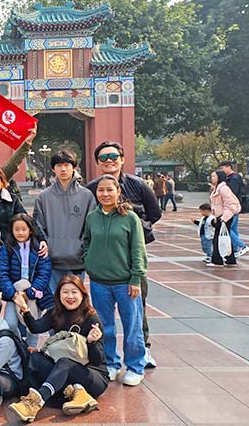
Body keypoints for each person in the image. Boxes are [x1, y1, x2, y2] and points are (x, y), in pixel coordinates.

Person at [85, 141, 161, 369]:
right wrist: (90, 259)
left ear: (122, 158)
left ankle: (141, 354)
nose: (109, 160)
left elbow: (155, 213)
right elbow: (88, 233)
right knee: (105, 321)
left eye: (114, 156)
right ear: (97, 162)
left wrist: (137, 228)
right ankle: (110, 362)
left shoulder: (137, 185)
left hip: (130, 264)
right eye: (104, 157)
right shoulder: (91, 189)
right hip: (102, 272)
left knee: (137, 312)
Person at [8, 275, 109, 422]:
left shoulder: (91, 319)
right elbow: (36, 328)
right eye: (65, 292)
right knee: (36, 358)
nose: (70, 296)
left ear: (82, 294)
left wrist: (92, 342)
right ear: (59, 295)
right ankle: (77, 393)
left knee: (64, 363)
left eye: (74, 292)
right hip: (67, 371)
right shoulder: (55, 313)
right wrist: (24, 309)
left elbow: (97, 360)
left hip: (93, 375)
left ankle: (35, 403)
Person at [83, 174, 147, 386]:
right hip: (100, 282)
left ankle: (136, 366)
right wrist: (89, 261)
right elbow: (86, 241)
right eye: (101, 190)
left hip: (125, 282)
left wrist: (136, 278)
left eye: (110, 189)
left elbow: (138, 249)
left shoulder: (130, 217)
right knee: (104, 326)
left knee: (132, 326)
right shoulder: (92, 217)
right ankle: (110, 363)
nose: (105, 194)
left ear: (118, 192)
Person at [33, 150, 95, 295]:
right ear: (53, 168)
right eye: (58, 165)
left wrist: (82, 248)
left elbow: (90, 227)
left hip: (76, 261)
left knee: (74, 302)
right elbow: (38, 226)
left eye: (66, 165)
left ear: (74, 167)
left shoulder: (86, 196)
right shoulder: (44, 197)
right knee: (54, 304)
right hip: (52, 261)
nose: (63, 169)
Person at [0, 213, 52, 345]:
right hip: (14, 294)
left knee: (32, 325)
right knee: (9, 323)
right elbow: (3, 273)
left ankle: (32, 352)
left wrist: (30, 293)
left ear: (30, 230)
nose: (20, 232)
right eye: (17, 229)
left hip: (33, 293)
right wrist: (14, 294)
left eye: (24, 229)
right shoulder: (7, 248)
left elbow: (44, 273)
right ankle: (19, 346)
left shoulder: (39, 247)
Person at [209, 170, 241, 266]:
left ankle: (217, 261)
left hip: (224, 217)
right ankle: (230, 260)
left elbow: (230, 204)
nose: (212, 178)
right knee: (224, 237)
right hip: (219, 216)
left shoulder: (224, 189)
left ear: (219, 177)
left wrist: (224, 217)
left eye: (214, 176)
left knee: (218, 239)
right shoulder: (216, 188)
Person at [219, 161, 249, 257]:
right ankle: (236, 248)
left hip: (231, 207)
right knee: (233, 228)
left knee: (227, 228)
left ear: (228, 167)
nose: (221, 170)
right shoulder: (232, 178)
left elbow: (232, 194)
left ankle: (242, 246)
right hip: (234, 207)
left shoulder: (233, 179)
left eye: (222, 168)